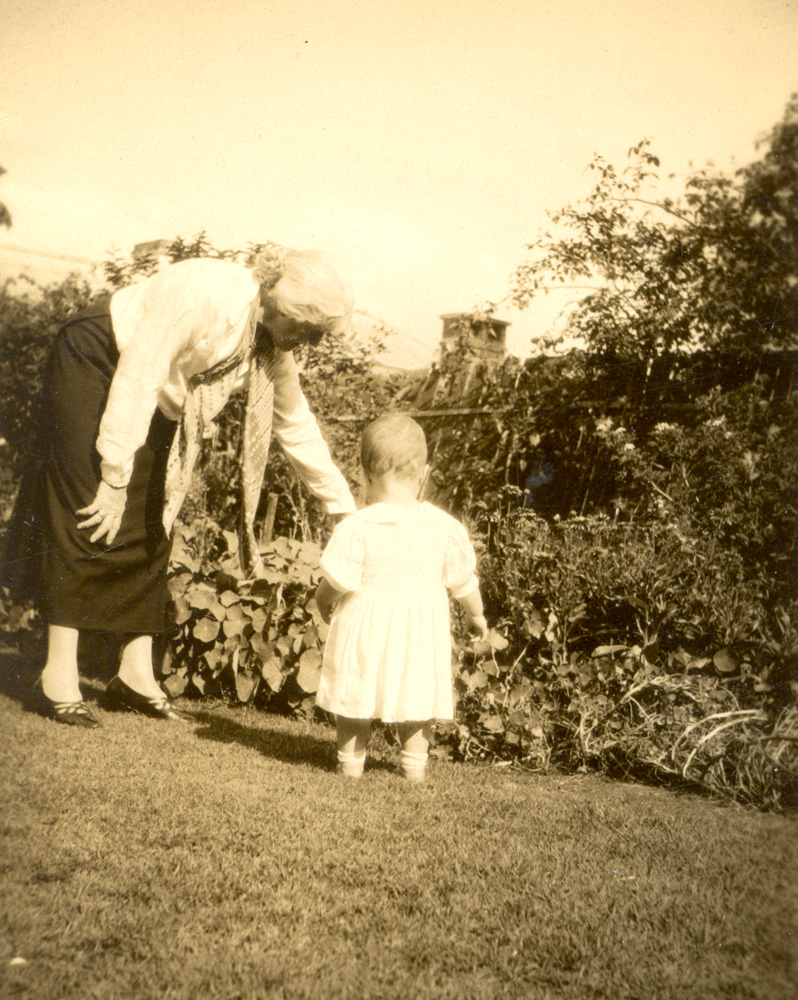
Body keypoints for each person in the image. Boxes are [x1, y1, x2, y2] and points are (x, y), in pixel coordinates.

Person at [2, 247, 357, 727]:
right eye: (311, 330)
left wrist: (341, 506)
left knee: (153, 512)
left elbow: (295, 423)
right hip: (98, 356)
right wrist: (114, 476)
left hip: (155, 389)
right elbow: (139, 375)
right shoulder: (204, 296)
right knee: (88, 500)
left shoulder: (271, 343)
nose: (311, 342)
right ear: (288, 303)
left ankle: (134, 676)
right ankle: (58, 674)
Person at [313, 414, 487, 782]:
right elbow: (463, 581)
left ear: (365, 475)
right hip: (419, 634)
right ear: (425, 474)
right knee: (417, 694)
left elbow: (336, 580)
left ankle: (350, 764)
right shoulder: (443, 527)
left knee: (355, 691)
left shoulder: (357, 526)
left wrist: (321, 601)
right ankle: (413, 766)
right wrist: (477, 616)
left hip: (365, 630)